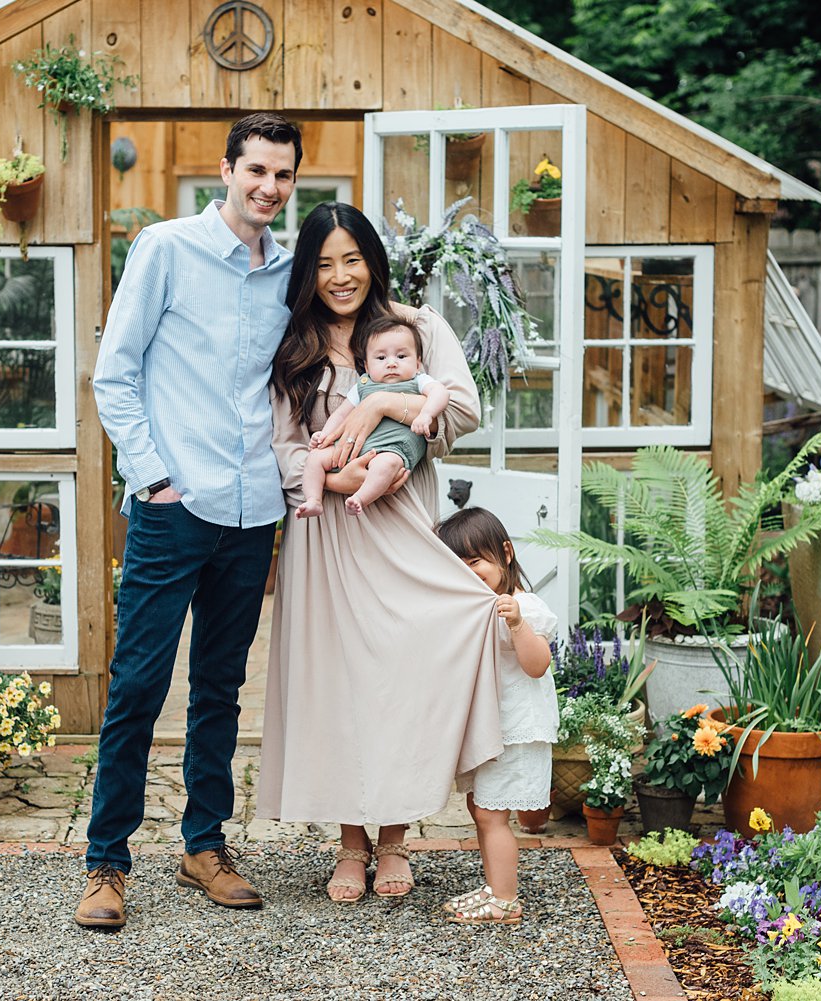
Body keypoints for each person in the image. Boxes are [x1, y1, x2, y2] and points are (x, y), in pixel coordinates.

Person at [78, 113, 303, 930]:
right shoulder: (166, 249)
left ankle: (203, 843)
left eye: (282, 175)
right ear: (226, 169)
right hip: (174, 508)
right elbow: (116, 375)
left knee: (220, 686)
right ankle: (107, 861)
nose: (268, 189)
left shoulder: (290, 271)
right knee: (138, 683)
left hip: (252, 513)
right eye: (257, 171)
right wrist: (156, 478)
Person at [258, 201, 505, 902]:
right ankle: (348, 842)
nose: (341, 276)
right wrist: (333, 477)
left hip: (398, 523)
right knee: (337, 681)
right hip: (324, 533)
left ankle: (395, 838)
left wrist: (379, 408)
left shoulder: (416, 325)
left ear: (374, 259)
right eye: (326, 263)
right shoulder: (295, 344)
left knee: (402, 671)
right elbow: (280, 444)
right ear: (310, 269)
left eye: (353, 259)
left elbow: (461, 409)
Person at [436, 507, 556, 925]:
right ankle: (493, 887)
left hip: (516, 729)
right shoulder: (476, 605)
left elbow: (537, 665)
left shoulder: (525, 606)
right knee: (480, 807)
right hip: (491, 728)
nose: (469, 574)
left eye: (476, 563)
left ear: (505, 553)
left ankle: (505, 900)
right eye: (458, 567)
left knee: (492, 813)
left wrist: (519, 624)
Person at [294, 312, 450, 518]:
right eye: (381, 357)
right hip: (352, 449)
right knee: (314, 458)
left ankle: (360, 498)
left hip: (394, 448)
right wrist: (325, 436)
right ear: (367, 366)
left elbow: (441, 393)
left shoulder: (418, 381)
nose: (392, 363)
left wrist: (426, 415)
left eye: (401, 356)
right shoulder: (363, 385)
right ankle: (314, 499)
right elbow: (341, 415)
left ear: (418, 363)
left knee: (387, 465)